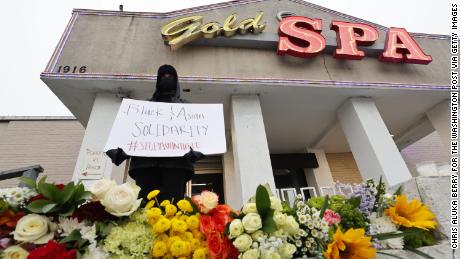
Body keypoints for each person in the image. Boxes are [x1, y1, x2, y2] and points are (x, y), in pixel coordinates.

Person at [106, 64, 204, 202]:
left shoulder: (187, 108)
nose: (167, 78)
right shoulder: (140, 108)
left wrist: (199, 149)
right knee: (146, 207)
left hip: (176, 165)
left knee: (173, 207)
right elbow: (128, 131)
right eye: (163, 76)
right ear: (158, 80)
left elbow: (200, 134)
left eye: (170, 76)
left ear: (176, 81)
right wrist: (121, 148)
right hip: (145, 165)